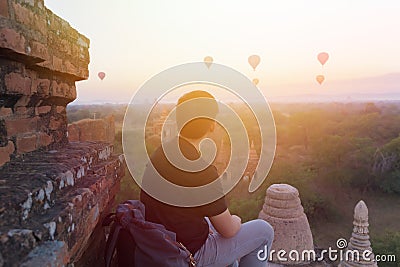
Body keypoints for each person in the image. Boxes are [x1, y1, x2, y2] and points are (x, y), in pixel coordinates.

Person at [140, 90, 274, 267]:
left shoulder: (162, 153)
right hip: (186, 253)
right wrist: (236, 220)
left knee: (214, 226)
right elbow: (228, 230)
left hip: (160, 244)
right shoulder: (202, 171)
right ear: (212, 125)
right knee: (264, 231)